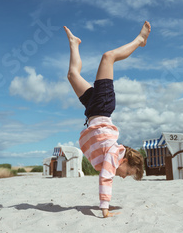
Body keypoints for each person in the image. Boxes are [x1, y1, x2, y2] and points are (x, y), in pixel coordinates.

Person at [64, 21, 151, 218]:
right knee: (108, 57)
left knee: (72, 75)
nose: (123, 176)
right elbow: (105, 179)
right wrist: (105, 209)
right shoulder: (114, 155)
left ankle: (74, 43)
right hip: (102, 106)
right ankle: (140, 40)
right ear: (125, 161)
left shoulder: (107, 158)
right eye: (128, 173)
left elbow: (104, 172)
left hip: (92, 110)